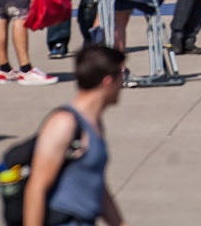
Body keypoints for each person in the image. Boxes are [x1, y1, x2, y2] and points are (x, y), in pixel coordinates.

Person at [20, 44, 127, 226]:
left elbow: (96, 185)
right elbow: (36, 188)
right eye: (121, 78)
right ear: (108, 82)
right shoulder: (64, 123)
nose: (122, 85)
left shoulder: (94, 123)